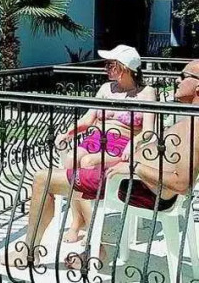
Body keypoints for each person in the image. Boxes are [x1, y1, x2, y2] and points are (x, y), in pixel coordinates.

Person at [10, 60, 199, 269]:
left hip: (131, 185)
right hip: (133, 179)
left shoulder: (195, 126)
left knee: (42, 179)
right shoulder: (190, 119)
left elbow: (182, 184)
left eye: (183, 77)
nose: (176, 80)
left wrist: (134, 168)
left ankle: (30, 252)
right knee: (74, 169)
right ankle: (92, 245)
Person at [55, 45, 156, 243]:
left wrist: (134, 142)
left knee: (88, 162)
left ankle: (90, 227)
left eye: (110, 65)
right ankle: (78, 221)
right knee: (72, 159)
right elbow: (88, 119)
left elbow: (148, 131)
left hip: (123, 143)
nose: (106, 68)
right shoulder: (105, 89)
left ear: (124, 67)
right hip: (97, 138)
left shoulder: (146, 93)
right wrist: (68, 132)